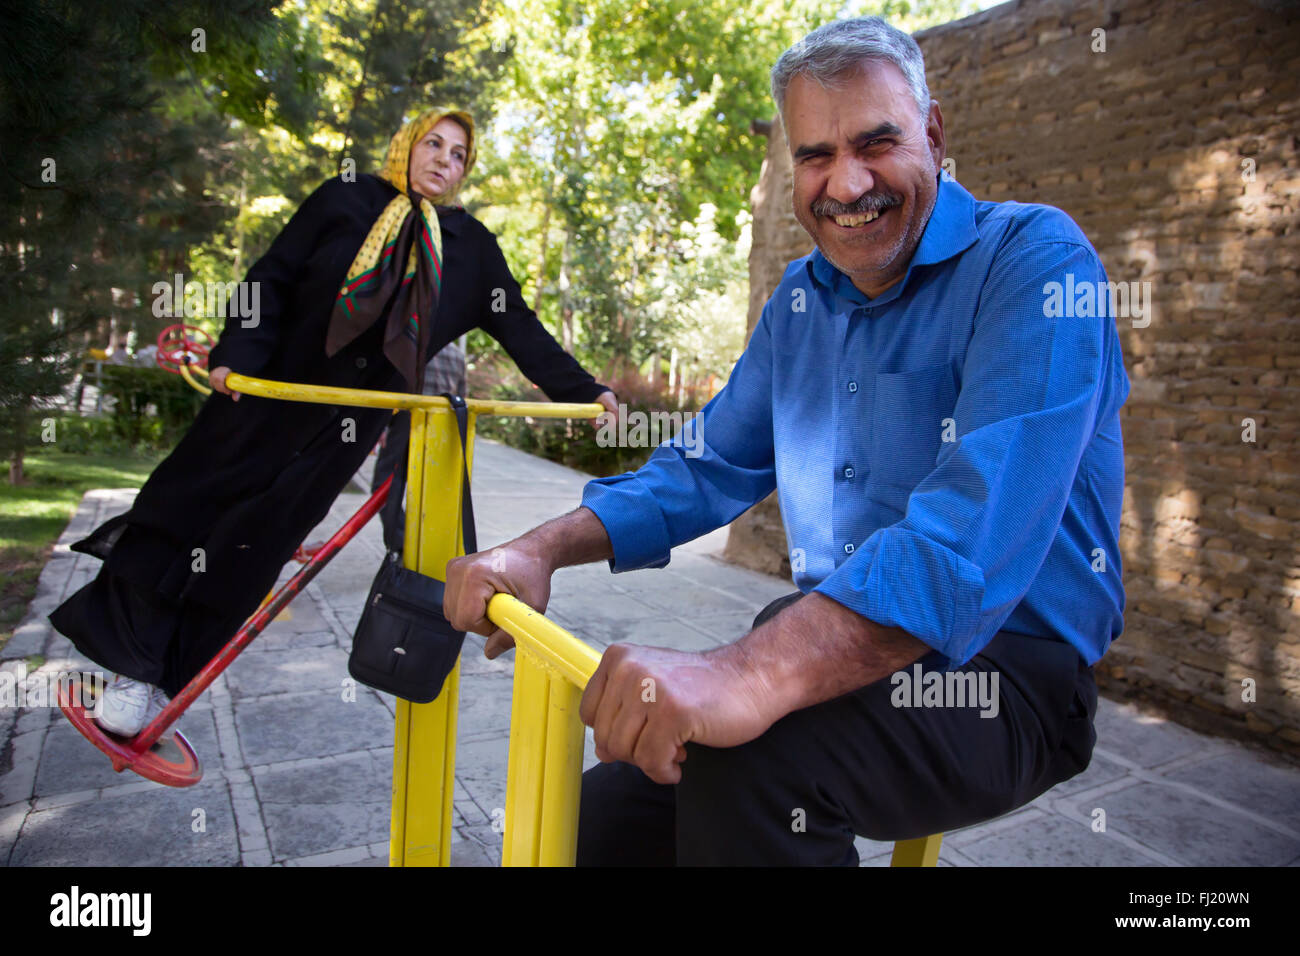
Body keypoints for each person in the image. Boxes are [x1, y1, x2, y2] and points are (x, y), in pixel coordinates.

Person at [444, 17, 1130, 866]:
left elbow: (967, 543)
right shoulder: (802, 301)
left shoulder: (1037, 263)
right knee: (605, 816)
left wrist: (749, 674)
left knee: (757, 772)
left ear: (936, 135)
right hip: (830, 647)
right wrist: (541, 550)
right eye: (814, 155)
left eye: (877, 142)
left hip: (1010, 676)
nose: (847, 183)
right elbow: (706, 466)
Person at [50, 107, 616, 738]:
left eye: (458, 155)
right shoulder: (344, 199)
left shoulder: (470, 249)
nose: (443, 160)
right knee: (185, 515)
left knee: (249, 547)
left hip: (336, 437)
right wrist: (237, 353)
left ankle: (158, 680)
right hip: (262, 401)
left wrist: (589, 390)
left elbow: (521, 328)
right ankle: (126, 658)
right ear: (406, 143)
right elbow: (273, 274)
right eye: (433, 143)